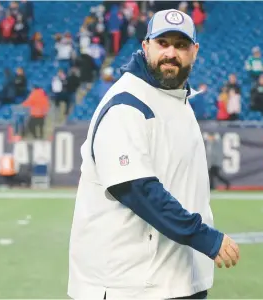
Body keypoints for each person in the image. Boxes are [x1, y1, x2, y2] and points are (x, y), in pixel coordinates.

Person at [68, 9, 240, 300]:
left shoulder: (176, 98)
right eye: (163, 43)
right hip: (130, 284)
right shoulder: (127, 105)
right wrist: (203, 236)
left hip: (174, 278)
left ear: (195, 51)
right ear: (146, 45)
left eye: (181, 45)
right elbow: (136, 189)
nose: (171, 52)